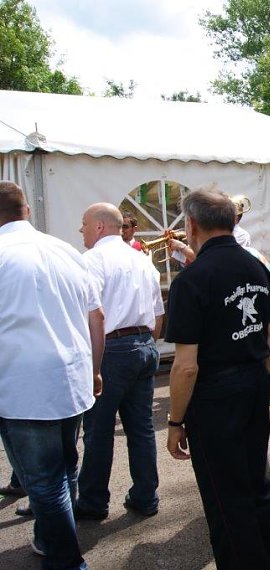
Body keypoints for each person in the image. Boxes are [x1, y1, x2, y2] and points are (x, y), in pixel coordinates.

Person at [165, 187, 270, 569]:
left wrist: (174, 421)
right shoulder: (257, 266)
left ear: (191, 224)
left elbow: (186, 365)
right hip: (255, 383)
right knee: (258, 486)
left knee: (225, 497)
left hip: (215, 396)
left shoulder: (191, 280)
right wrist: (255, 381)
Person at [0, 180, 104, 568]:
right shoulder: (66, 251)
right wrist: (94, 370)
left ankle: (66, 559)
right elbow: (97, 316)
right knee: (64, 466)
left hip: (23, 384)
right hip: (70, 375)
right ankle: (51, 539)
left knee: (44, 481)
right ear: (26, 210)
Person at [76, 203, 164, 520]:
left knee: (98, 431)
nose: (81, 229)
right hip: (143, 343)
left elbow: (93, 317)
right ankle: (145, 496)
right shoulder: (142, 260)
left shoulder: (91, 260)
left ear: (100, 226)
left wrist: (94, 365)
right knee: (140, 429)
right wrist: (143, 344)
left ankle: (93, 500)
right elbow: (158, 315)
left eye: (84, 223)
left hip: (111, 348)